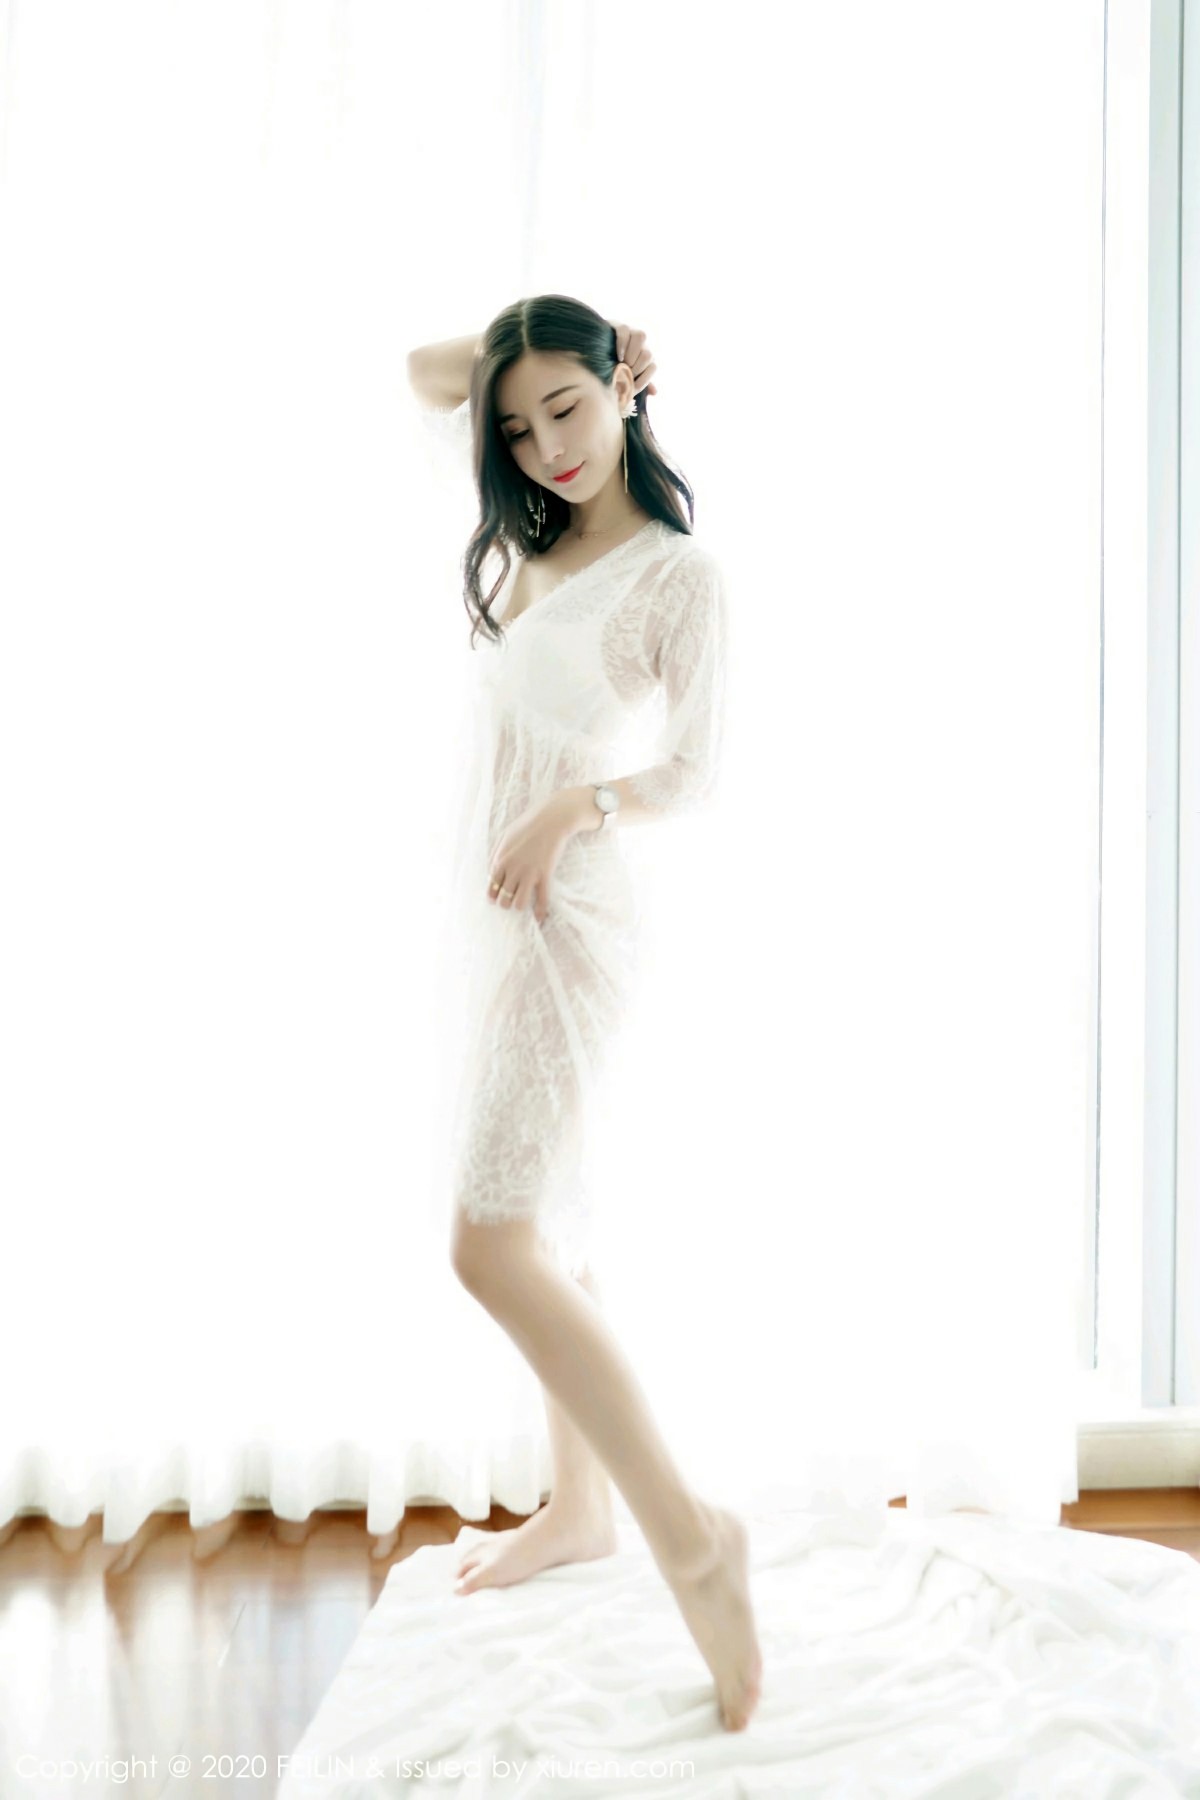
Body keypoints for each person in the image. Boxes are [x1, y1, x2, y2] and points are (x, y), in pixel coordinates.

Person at [408, 295, 762, 1734]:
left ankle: (692, 1535)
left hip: (573, 924)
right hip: (497, 919)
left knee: (488, 1242)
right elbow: (422, 371)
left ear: (624, 395)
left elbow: (697, 770)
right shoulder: (546, 536)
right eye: (518, 426)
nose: (546, 446)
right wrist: (582, 330)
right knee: (544, 1228)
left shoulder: (677, 574)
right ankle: (579, 1510)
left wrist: (577, 804)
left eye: (568, 407)